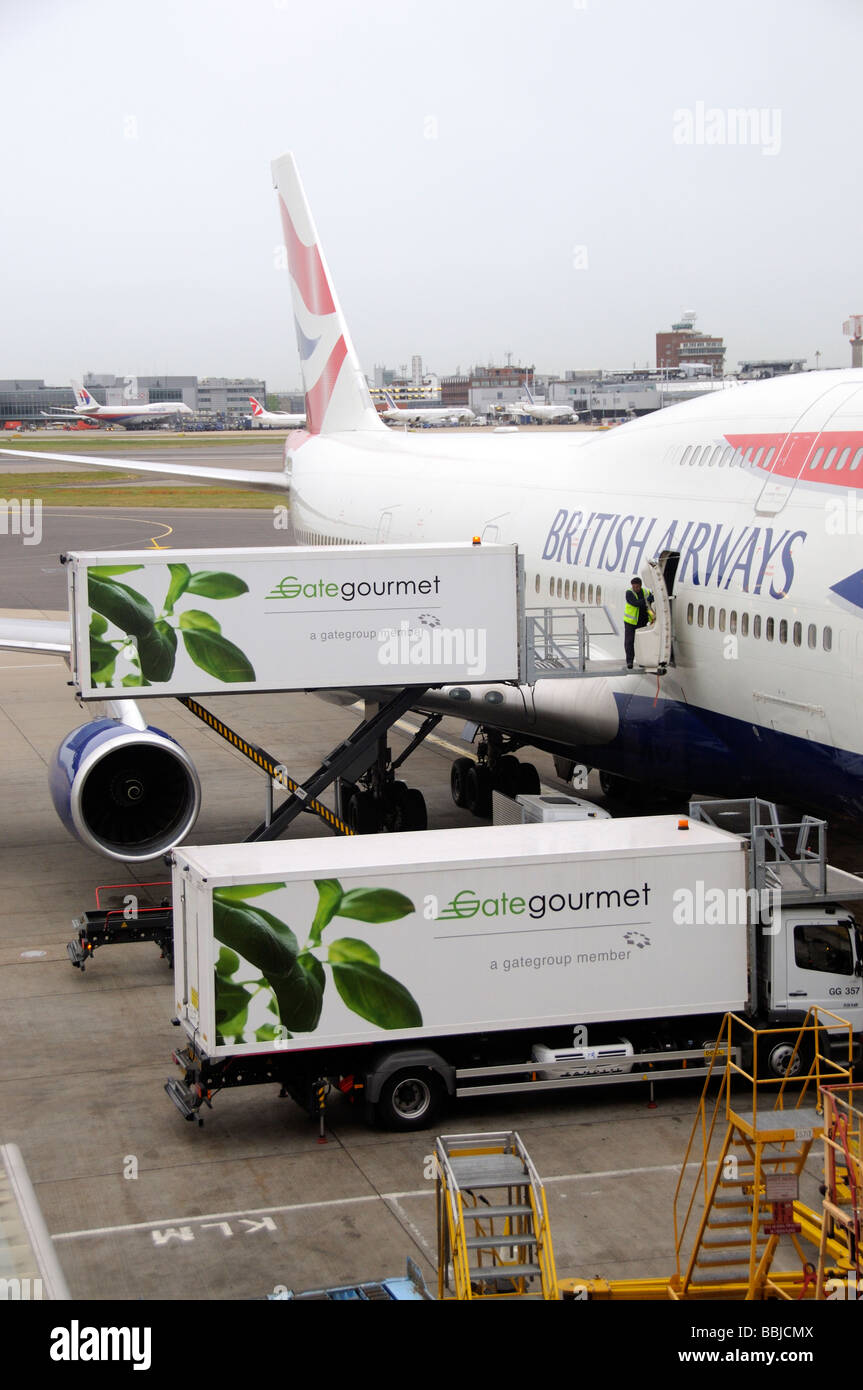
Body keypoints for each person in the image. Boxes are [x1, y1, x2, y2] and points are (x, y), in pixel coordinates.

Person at [623, 576, 654, 668]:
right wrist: (647, 600)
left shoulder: (646, 592)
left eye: (637, 587)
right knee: (629, 642)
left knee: (641, 643)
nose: (635, 589)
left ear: (640, 586)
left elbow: (649, 605)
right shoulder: (629, 593)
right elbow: (635, 603)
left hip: (642, 622)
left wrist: (652, 617)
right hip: (631, 622)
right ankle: (629, 661)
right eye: (634, 587)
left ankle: (642, 661)